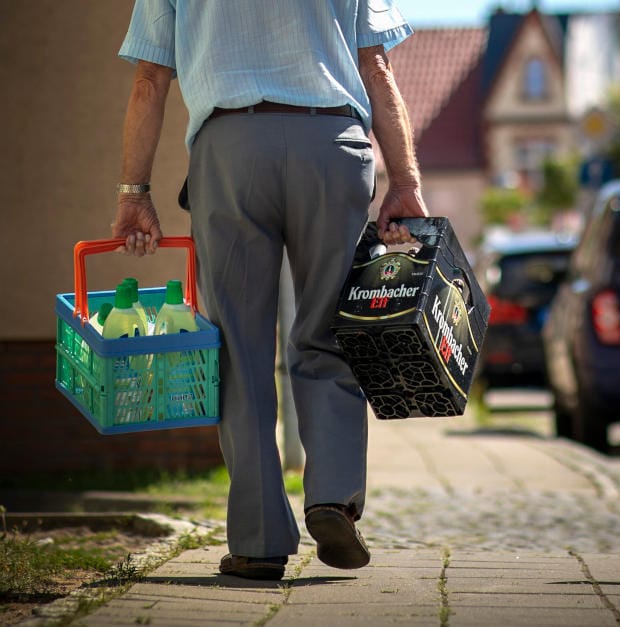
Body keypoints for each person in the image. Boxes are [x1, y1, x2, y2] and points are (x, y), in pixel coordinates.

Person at [112, 1, 428, 581]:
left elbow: (150, 78)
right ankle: (331, 498)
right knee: (329, 331)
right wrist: (405, 181)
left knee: (238, 350)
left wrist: (134, 192)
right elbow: (375, 67)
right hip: (333, 147)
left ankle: (258, 543)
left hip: (231, 149)